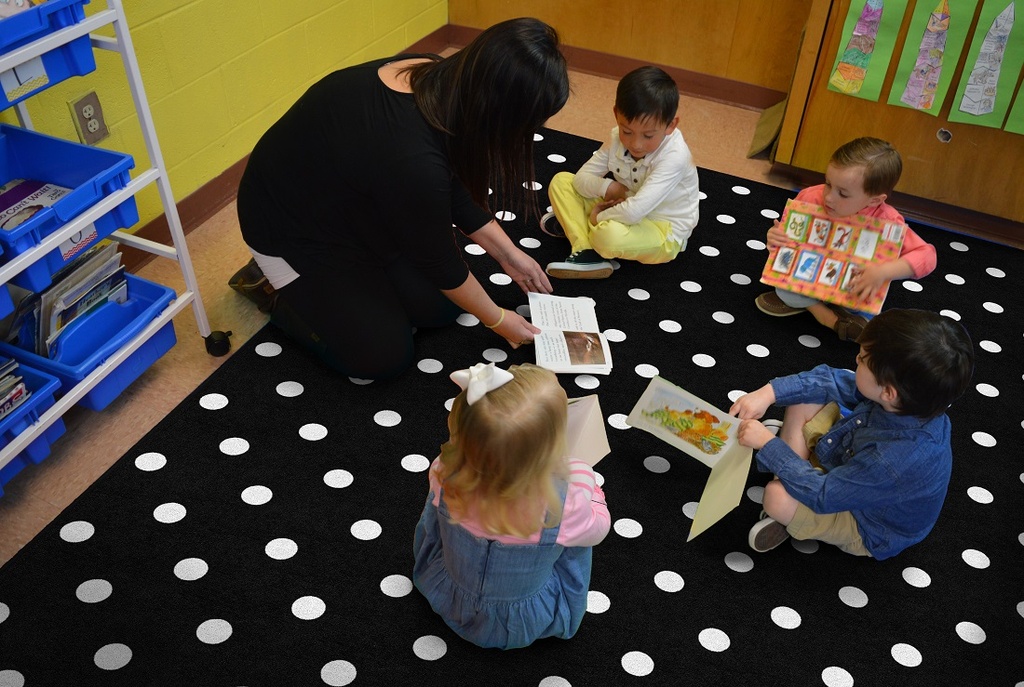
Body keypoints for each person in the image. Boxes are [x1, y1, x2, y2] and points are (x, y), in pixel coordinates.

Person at [230, 18, 568, 379]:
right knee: (381, 357)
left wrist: (508, 253)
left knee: (440, 310)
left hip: (357, 206)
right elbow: (439, 259)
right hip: (290, 229)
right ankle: (271, 287)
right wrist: (498, 320)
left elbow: (450, 182)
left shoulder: (436, 76)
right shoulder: (411, 159)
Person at [729, 309, 974, 560]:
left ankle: (791, 498)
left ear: (888, 392)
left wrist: (769, 445)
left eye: (863, 359)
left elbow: (824, 494)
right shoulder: (908, 401)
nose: (856, 359)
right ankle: (793, 478)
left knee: (776, 497)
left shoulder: (891, 460)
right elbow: (832, 381)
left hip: (866, 522)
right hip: (851, 466)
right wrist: (768, 393)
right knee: (805, 397)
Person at [413, 362, 610, 649]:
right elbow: (599, 528)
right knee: (577, 536)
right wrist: (585, 478)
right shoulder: (563, 504)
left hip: (448, 593)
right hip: (520, 620)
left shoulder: (443, 471)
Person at [755, 137, 937, 341]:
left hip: (851, 287)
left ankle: (830, 311)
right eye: (828, 183)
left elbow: (928, 256)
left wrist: (882, 272)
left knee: (863, 303)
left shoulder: (888, 222)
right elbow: (788, 242)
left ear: (874, 200)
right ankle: (826, 317)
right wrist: (775, 239)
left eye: (843, 193)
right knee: (784, 288)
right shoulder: (810, 198)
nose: (829, 197)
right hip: (808, 275)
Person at [540, 66, 699, 279]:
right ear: (616, 114)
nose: (636, 144)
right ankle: (586, 249)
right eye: (627, 131)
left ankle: (582, 229)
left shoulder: (675, 156)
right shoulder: (616, 137)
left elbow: (635, 212)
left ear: (671, 125)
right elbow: (581, 179)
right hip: (624, 206)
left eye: (648, 135)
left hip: (662, 229)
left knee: (608, 237)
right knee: (561, 181)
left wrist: (598, 217)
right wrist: (609, 187)